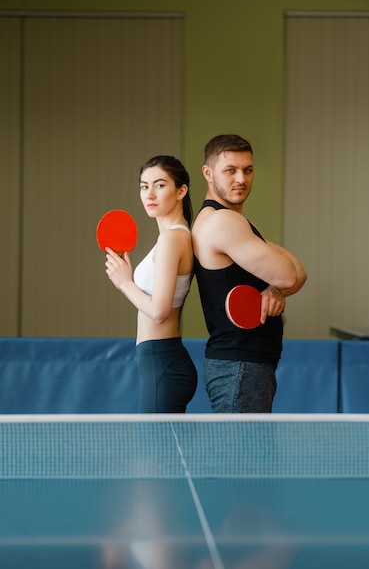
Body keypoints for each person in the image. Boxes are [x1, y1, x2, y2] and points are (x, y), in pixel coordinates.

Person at [192, 134, 307, 413]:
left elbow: (298, 271)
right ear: (208, 173)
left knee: (246, 454)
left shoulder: (237, 221)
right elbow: (290, 275)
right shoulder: (223, 221)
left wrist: (275, 289)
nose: (241, 179)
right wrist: (280, 283)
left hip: (245, 365)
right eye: (230, 170)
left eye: (248, 169)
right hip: (240, 366)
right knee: (239, 455)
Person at [104, 155, 197, 413]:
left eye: (160, 185)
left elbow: (159, 312)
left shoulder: (173, 239)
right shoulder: (173, 237)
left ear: (181, 191)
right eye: (144, 186)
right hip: (160, 361)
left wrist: (125, 283)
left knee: (155, 453)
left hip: (162, 361)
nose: (150, 194)